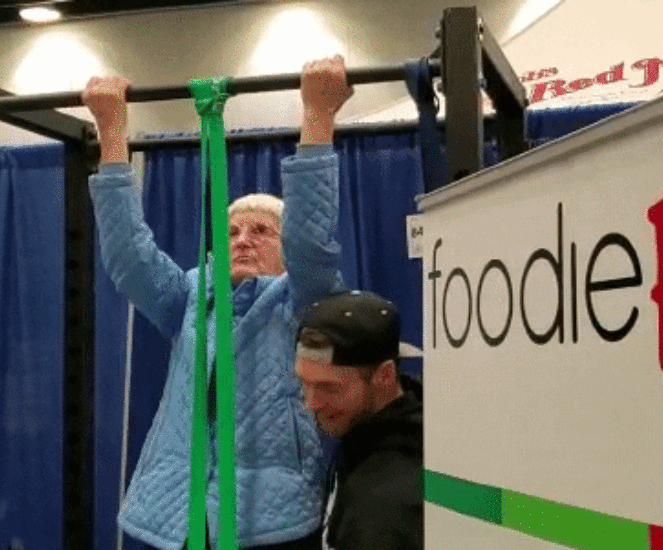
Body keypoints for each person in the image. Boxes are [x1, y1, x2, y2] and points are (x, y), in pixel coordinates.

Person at [81, 56, 353, 550]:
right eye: (231, 232)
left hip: (271, 523)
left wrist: (318, 116)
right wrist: (112, 130)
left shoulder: (302, 301)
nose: (243, 240)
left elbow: (312, 243)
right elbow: (127, 256)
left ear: (285, 246)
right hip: (181, 517)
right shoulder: (189, 297)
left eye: (262, 230)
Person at [294, 291, 424, 550]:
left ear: (384, 375)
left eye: (329, 387)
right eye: (304, 384)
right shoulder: (361, 440)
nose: (310, 404)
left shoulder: (384, 510)